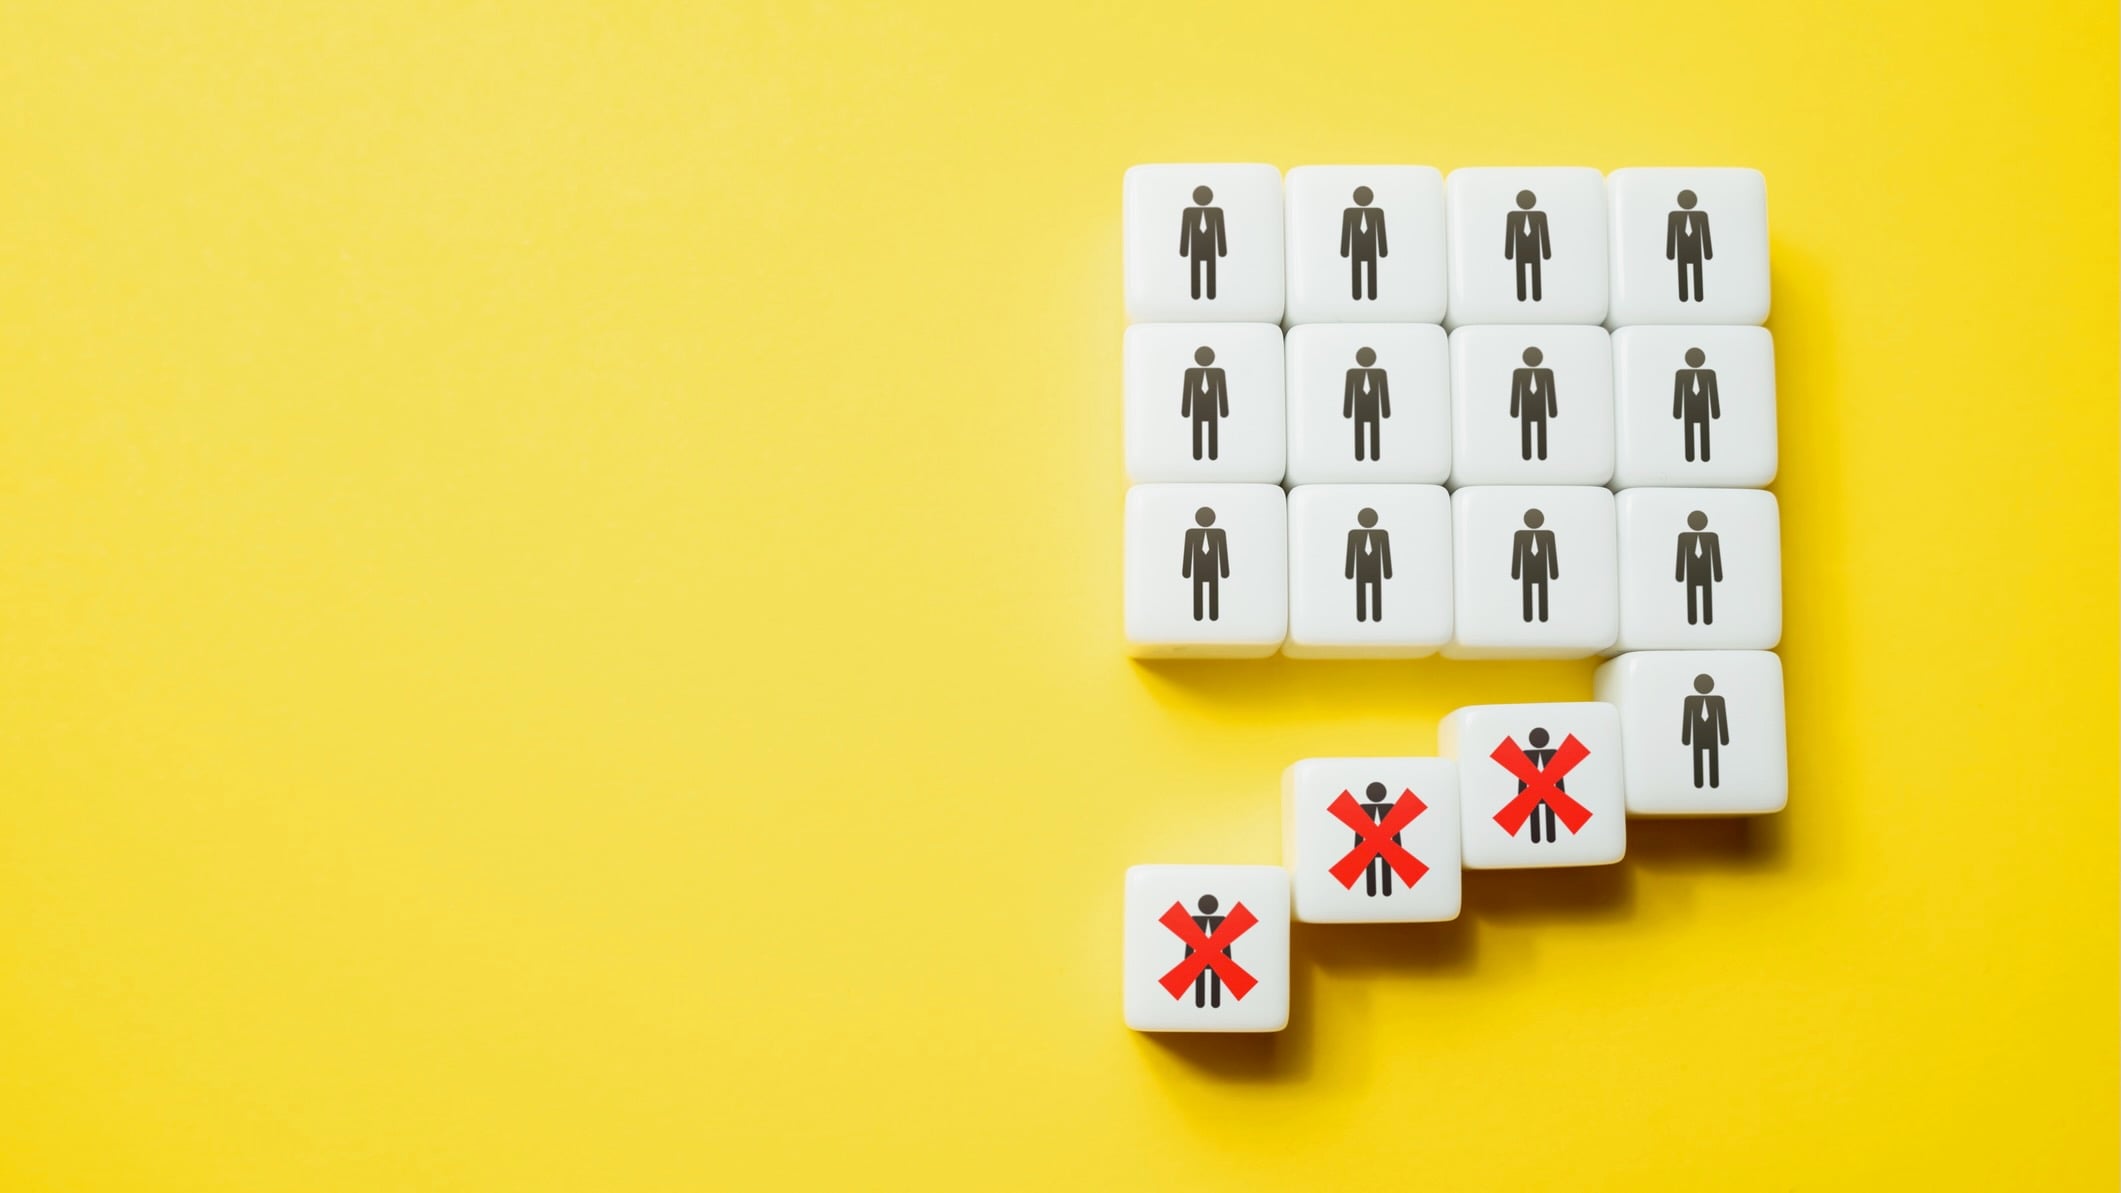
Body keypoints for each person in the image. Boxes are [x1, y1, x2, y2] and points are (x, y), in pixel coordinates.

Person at [1680, 673, 1730, 789]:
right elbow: (1687, 720)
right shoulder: (1689, 701)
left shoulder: (1719, 700)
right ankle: (1699, 782)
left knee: (1713, 758)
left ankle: (1714, 782)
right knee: (1698, 759)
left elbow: (1722, 720)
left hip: (1713, 734)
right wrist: (1686, 738)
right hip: (1697, 734)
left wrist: (1724, 738)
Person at [1178, 185, 1227, 301]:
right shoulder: (1188, 212)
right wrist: (1183, 250)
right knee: (1195, 270)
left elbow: (1220, 231)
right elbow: (1185, 232)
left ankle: (1211, 294)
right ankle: (1196, 294)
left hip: (1210, 246)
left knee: (1211, 270)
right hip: (1195, 246)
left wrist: (1222, 250)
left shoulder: (1217, 212)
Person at [1674, 510, 1723, 625]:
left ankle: (1707, 619)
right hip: (1691, 571)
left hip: (1706, 571)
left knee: (1707, 595)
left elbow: (1716, 556)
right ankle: (1692, 619)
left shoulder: (1712, 537)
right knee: (1691, 595)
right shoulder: (1683, 537)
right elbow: (1680, 556)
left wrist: (1718, 575)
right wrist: (1679, 575)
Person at [1181, 506, 1230, 621]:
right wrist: (1186, 571)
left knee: (1213, 591)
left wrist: (1224, 571)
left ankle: (1213, 615)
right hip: (1198, 567)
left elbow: (1223, 552)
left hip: (1213, 567)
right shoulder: (1191, 534)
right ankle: (1198, 615)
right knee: (1198, 591)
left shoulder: (1219, 533)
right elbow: (1187, 552)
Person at [1180, 346, 1229, 461]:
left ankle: (1213, 455)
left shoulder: (1219, 373)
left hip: (1212, 407)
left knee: (1213, 431)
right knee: (1197, 430)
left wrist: (1224, 410)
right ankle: (1197, 455)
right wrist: (1185, 411)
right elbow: (1187, 392)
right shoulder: (1190, 373)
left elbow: (1222, 392)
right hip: (1197, 407)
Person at [1355, 782, 1404, 896]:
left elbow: (1396, 827)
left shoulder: (1390, 807)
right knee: (1372, 869)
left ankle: (1385, 892)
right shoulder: (1363, 808)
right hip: (1372, 846)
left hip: (1384, 846)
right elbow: (1359, 829)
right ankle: (1373, 892)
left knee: (1383, 868)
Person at [1510, 346, 1558, 461]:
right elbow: (1515, 392)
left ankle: (1542, 455)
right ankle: (1527, 455)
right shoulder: (1518, 373)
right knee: (1526, 430)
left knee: (1542, 431)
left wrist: (1552, 411)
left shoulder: (1547, 373)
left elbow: (1551, 392)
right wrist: (1514, 411)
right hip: (1526, 407)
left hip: (1541, 407)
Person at [1511, 508, 1559, 623]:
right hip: (1527, 569)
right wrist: (1515, 573)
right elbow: (1517, 554)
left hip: (1542, 568)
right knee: (1527, 593)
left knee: (1543, 592)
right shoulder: (1520, 535)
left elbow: (1552, 554)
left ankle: (1543, 616)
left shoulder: (1548, 535)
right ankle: (1528, 616)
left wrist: (1554, 573)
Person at [1340, 185, 1388, 300]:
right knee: (1356, 270)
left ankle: (1372, 295)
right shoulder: (1349, 213)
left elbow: (1381, 232)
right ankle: (1357, 295)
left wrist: (1383, 250)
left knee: (1372, 270)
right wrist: (1344, 250)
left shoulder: (1378, 212)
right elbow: (1346, 232)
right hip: (1356, 246)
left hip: (1371, 246)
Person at [1672, 347, 1720, 462]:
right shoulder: (1681, 374)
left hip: (1704, 408)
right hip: (1688, 408)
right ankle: (1690, 456)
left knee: (1705, 432)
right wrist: (1677, 412)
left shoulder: (1710, 374)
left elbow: (1713, 393)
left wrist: (1715, 412)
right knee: (1689, 432)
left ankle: (1705, 456)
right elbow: (1678, 393)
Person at [1345, 508, 1393, 622]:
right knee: (1360, 592)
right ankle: (1361, 616)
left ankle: (1377, 616)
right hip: (1360, 568)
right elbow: (1350, 553)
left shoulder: (1382, 534)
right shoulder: (1353, 535)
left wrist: (1387, 572)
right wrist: (1349, 572)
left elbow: (1386, 553)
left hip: (1376, 569)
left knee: (1377, 592)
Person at [1503, 189, 1551, 302]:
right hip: (1520, 249)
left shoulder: (1540, 216)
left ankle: (1536, 295)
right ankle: (1521, 296)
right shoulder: (1512, 216)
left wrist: (1546, 252)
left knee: (1536, 272)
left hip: (1535, 248)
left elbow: (1544, 234)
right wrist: (1509, 253)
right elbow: (1509, 235)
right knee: (1520, 272)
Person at [1666, 189, 1713, 302]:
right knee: (1682, 273)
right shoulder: (1674, 216)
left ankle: (1698, 296)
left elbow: (1706, 234)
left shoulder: (1702, 216)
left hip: (1697, 249)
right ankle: (1683, 297)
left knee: (1698, 272)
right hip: (1681, 249)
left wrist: (1708, 253)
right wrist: (1670, 253)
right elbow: (1671, 235)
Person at [1343, 346, 1390, 461]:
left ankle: (1375, 455)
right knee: (1359, 431)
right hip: (1359, 407)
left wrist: (1385, 411)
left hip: (1374, 407)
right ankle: (1359, 455)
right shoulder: (1352, 373)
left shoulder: (1380, 373)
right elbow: (1349, 393)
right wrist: (1347, 411)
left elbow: (1384, 393)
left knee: (1375, 431)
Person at [1517, 728, 1562, 843]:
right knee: (1535, 815)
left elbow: (1559, 774)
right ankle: (1536, 839)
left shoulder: (1553, 753)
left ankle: (1550, 838)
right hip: (1533, 792)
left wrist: (1561, 793)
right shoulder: (1526, 755)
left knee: (1548, 814)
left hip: (1549, 791)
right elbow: (1522, 776)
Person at [1185, 894, 1230, 1008]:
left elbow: (1226, 940)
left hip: (1216, 958)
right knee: (1201, 981)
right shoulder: (1194, 920)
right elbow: (1189, 940)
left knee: (1215, 981)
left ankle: (1215, 1003)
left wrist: (1227, 960)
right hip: (1200, 958)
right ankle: (1200, 1003)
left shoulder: (1221, 920)